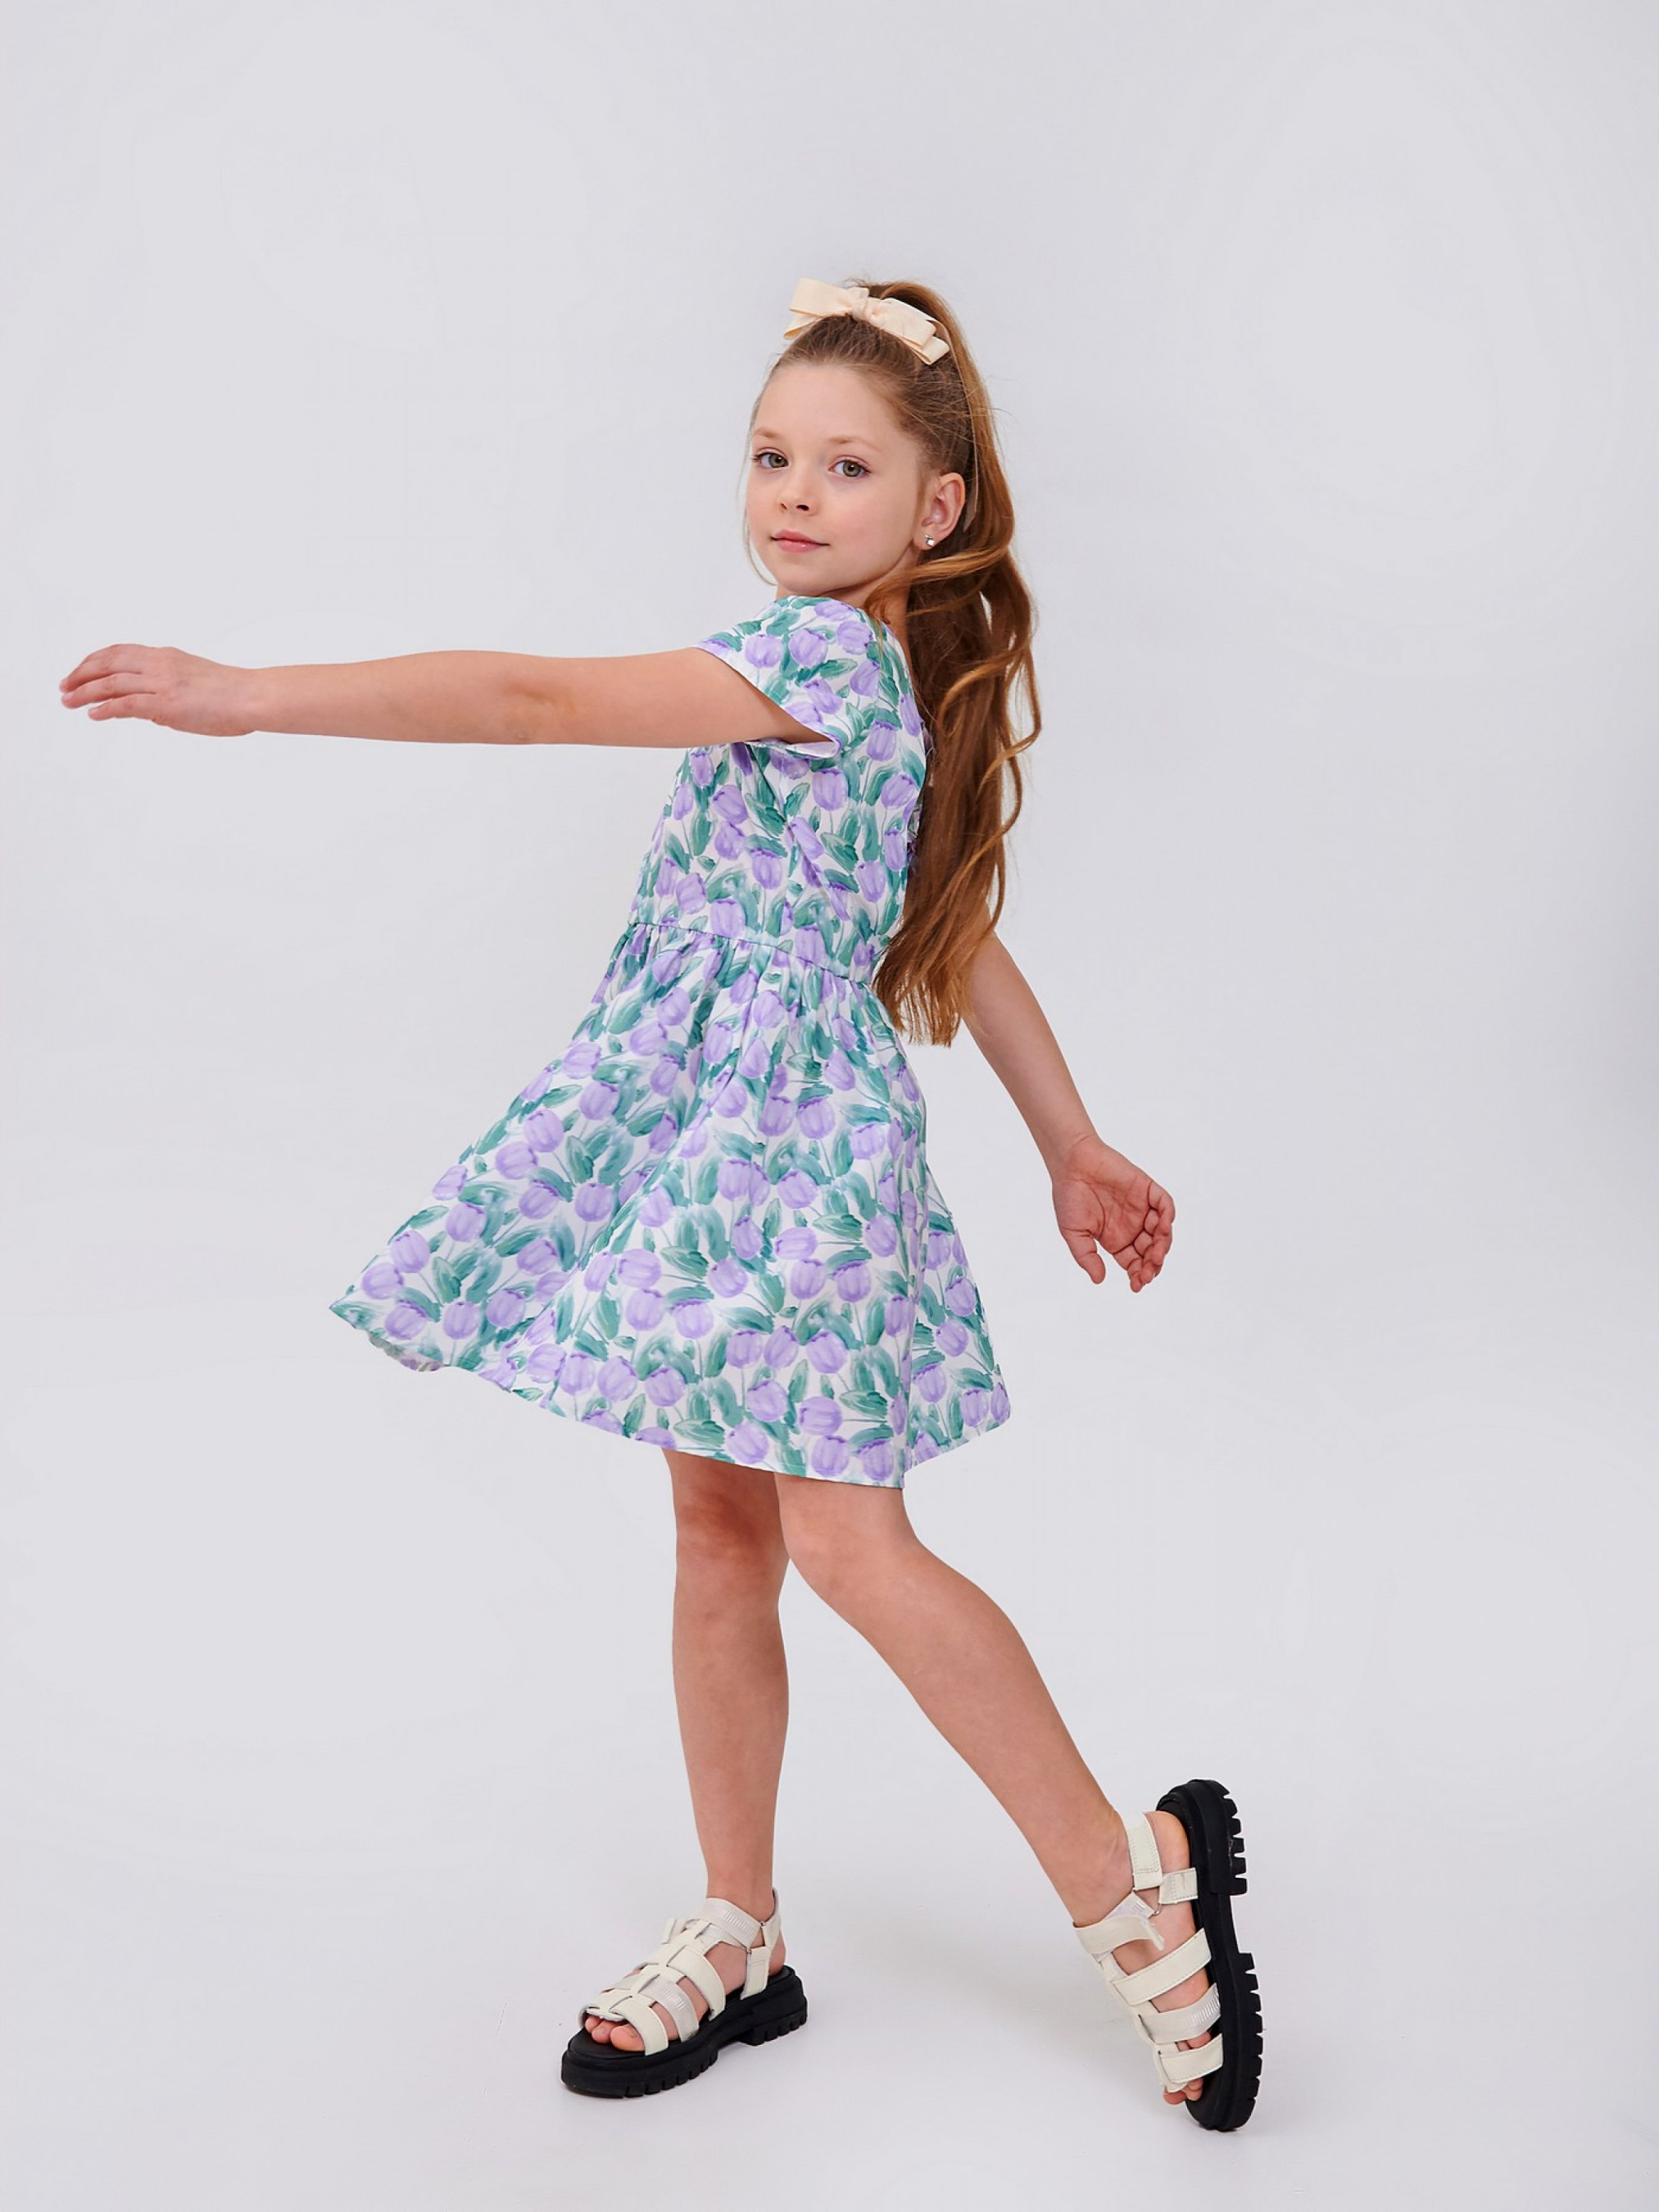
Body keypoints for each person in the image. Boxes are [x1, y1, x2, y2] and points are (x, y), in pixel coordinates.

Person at [57, 274, 1262, 2130]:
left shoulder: (823, 662)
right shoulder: (872, 670)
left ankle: (1131, 1891)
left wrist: (251, 698)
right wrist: (1070, 1143)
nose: (795, 493)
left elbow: (535, 699)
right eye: (772, 455)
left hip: (788, 1150)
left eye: (846, 466)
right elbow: (952, 930)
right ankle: (739, 1924)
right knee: (716, 1532)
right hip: (716, 1142)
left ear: (933, 504)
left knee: (851, 1548)